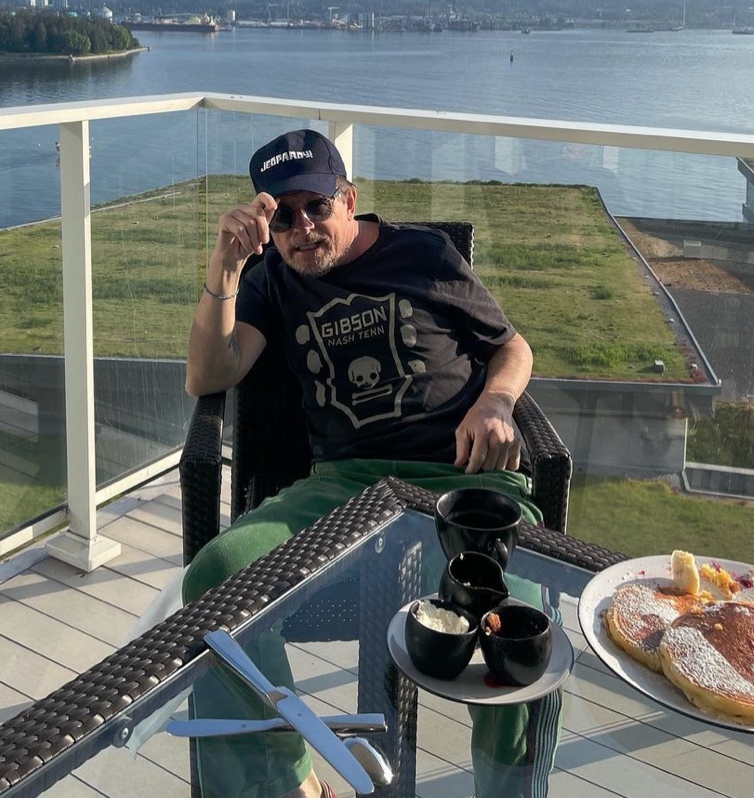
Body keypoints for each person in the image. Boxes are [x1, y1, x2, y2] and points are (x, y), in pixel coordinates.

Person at [182, 129, 560, 798]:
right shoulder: (271, 281)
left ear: (348, 199)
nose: (303, 229)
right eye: (285, 215)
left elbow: (513, 346)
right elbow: (209, 374)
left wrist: (496, 404)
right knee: (217, 575)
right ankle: (289, 783)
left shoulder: (425, 253)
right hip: (348, 486)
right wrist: (224, 267)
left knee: (523, 640)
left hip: (464, 477)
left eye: (317, 207)